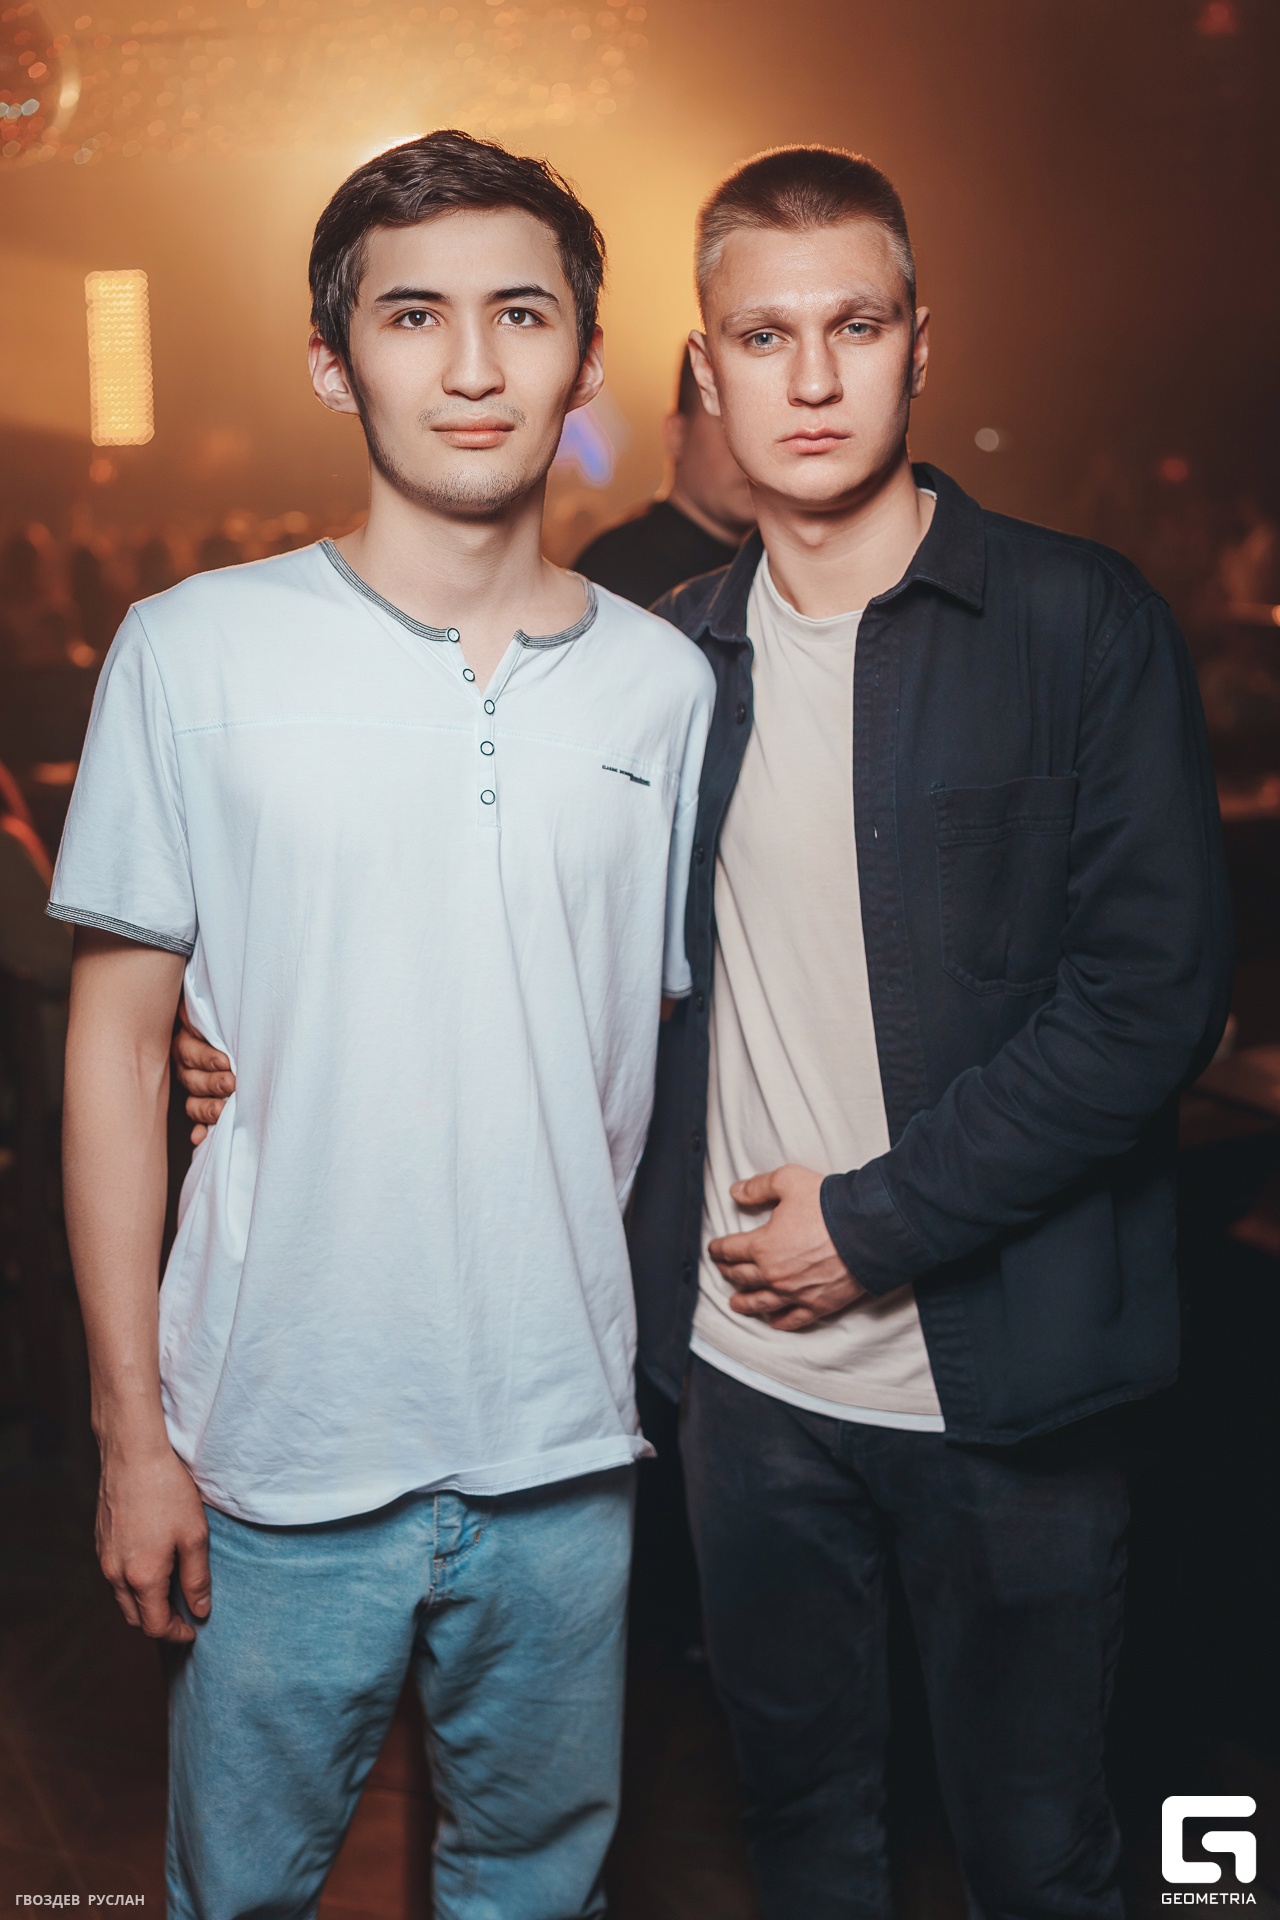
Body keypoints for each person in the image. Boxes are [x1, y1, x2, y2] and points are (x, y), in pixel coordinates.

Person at [52, 129, 713, 1920]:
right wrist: (133, 1437)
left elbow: (629, 1048)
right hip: (274, 1443)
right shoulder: (190, 650)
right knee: (240, 1896)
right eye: (414, 315)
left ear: (586, 356)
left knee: (537, 1896)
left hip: (567, 1443)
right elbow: (115, 1054)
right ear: (334, 361)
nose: (474, 362)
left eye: (523, 313)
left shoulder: (665, 688)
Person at [621, 148, 1228, 1920]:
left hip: (1010, 1386)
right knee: (805, 1844)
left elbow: (1150, 1003)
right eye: (765, 337)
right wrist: (237, 1049)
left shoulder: (1078, 621)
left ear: (920, 344)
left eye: (857, 327)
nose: (812, 379)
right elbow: (535, 954)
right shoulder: (660, 668)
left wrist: (874, 1223)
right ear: (707, 369)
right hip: (743, 1393)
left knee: (1040, 1860)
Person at [573, 345, 755, 606]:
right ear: (676, 434)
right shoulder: (619, 571)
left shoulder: (764, 568)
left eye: (757, 426)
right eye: (727, 423)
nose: (747, 449)